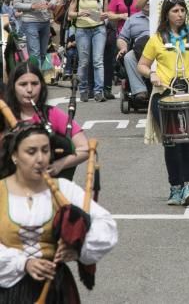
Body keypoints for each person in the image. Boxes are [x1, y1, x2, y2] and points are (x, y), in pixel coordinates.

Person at [0, 124, 117, 301]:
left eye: (45, 150)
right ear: (15, 156)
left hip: (56, 288)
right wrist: (23, 263)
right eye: (31, 152)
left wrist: (78, 247)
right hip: (9, 287)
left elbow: (105, 224)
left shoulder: (64, 189)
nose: (40, 159)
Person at [138, 0, 189, 206]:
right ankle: (175, 187)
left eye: (182, 10)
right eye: (175, 11)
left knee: (188, 142)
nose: (179, 15)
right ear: (166, 14)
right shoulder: (157, 38)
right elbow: (142, 65)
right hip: (164, 96)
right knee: (171, 144)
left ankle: (188, 185)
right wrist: (151, 74)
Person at [3, 61, 90, 179]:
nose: (29, 89)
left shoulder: (51, 114)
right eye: (23, 84)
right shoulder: (3, 116)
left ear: (42, 85)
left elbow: (85, 148)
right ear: (13, 87)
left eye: (34, 83)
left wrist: (59, 164)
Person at [67, 0, 110, 103]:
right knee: (84, 62)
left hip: (99, 28)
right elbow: (70, 14)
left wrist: (104, 16)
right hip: (82, 29)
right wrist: (80, 13)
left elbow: (106, 12)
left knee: (98, 61)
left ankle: (98, 91)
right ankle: (84, 90)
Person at [12, 0, 56, 65]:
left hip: (45, 21)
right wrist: (31, 6)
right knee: (34, 54)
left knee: (43, 53)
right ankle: (36, 79)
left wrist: (51, 4)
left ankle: (39, 77)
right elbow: (16, 4)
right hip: (30, 22)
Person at [116, 0, 151, 103]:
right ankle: (140, 90)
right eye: (146, 1)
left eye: (150, 1)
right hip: (139, 48)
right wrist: (123, 47)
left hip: (159, 46)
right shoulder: (132, 20)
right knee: (128, 57)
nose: (148, 3)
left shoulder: (163, 16)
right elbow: (121, 38)